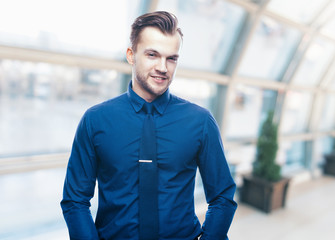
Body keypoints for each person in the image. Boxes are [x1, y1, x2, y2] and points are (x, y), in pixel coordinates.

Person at [61, 11, 237, 240]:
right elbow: (75, 200)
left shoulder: (201, 121)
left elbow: (222, 196)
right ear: (131, 55)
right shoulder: (95, 120)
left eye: (171, 58)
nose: (163, 67)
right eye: (152, 55)